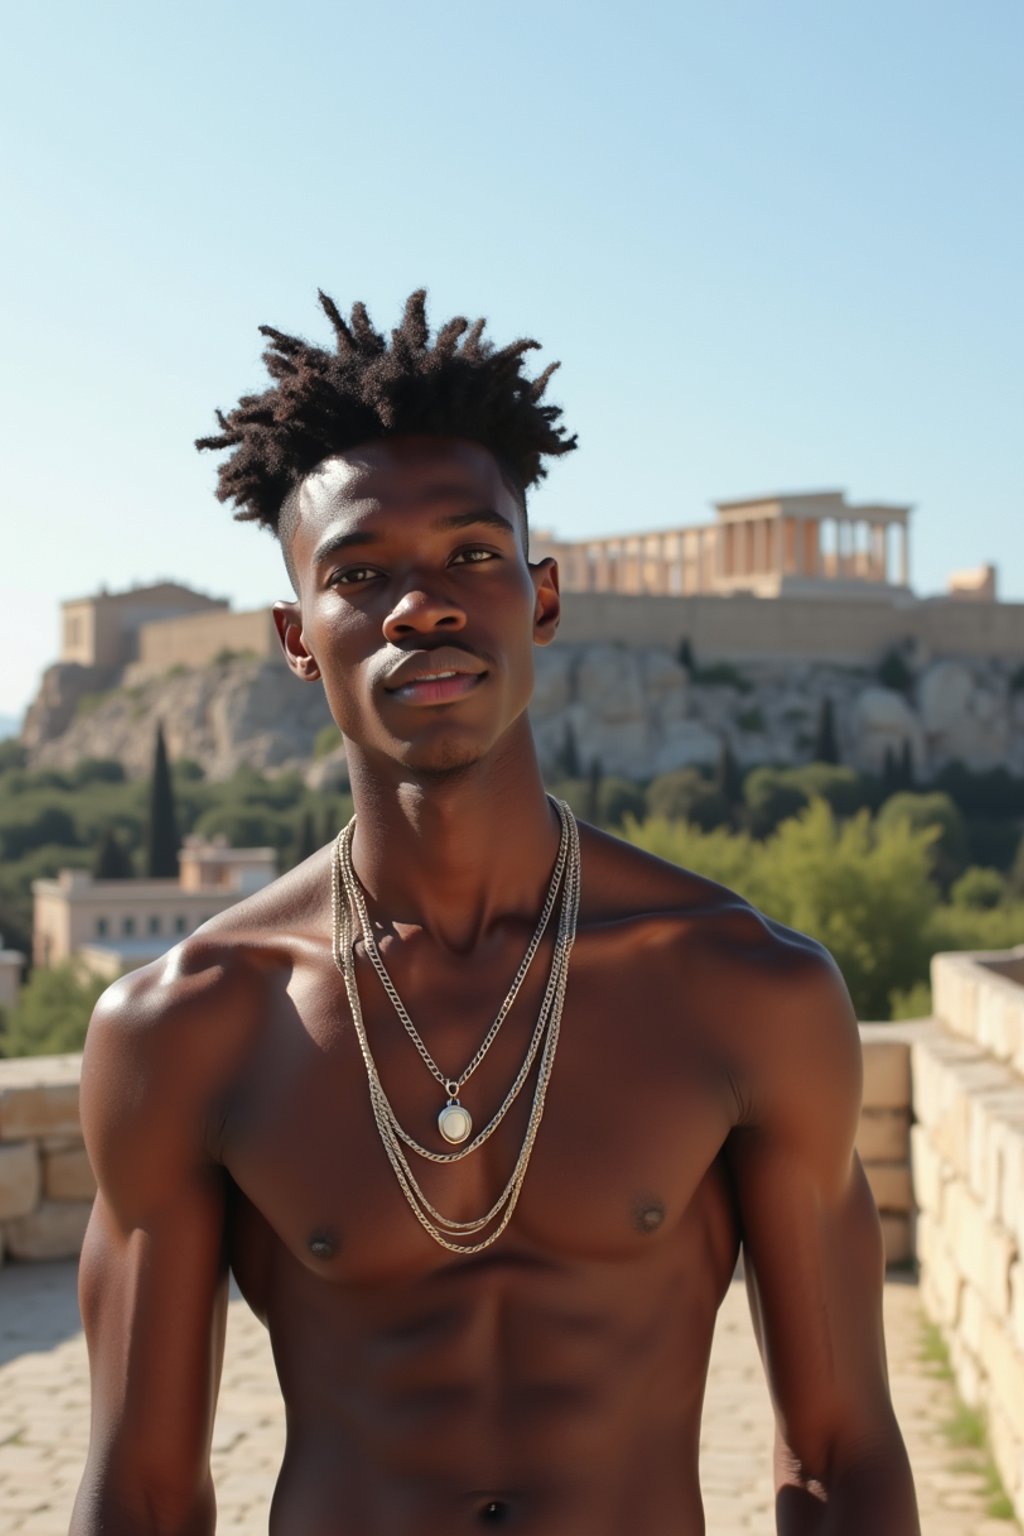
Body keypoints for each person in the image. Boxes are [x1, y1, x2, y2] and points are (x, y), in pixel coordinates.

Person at [71, 291, 920, 1535]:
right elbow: (142, 1497)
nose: (420, 605)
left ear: (544, 597)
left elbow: (841, 1455)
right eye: (359, 576)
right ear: (296, 639)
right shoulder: (185, 1022)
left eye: (472, 554)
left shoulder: (743, 988)